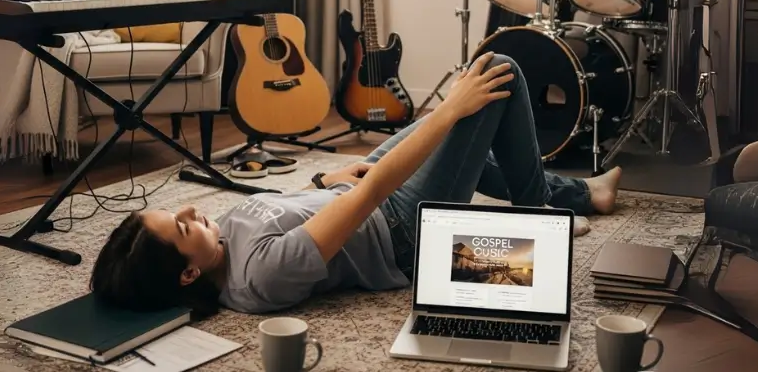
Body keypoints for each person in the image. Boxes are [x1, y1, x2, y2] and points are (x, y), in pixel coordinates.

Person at [90, 53, 622, 316]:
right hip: (399, 229)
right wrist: (445, 111)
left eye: (174, 212)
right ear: (188, 274)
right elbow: (372, 197)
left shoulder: (221, 241)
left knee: (467, 138)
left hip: (364, 197)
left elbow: (287, 205)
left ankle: (582, 195)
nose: (189, 210)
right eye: (181, 227)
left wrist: (327, 176)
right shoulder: (260, 278)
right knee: (496, 75)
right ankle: (538, 216)